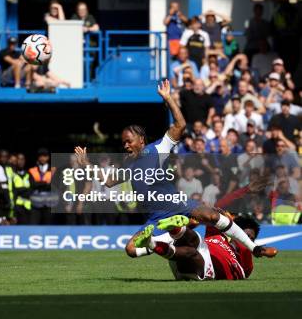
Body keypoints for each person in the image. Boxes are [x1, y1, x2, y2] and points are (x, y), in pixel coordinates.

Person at [75, 80, 277, 259]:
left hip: (177, 203)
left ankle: (255, 248)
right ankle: (165, 239)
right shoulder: (128, 163)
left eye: (129, 141)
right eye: (123, 143)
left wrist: (168, 98)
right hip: (156, 217)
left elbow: (180, 125)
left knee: (213, 217)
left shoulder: (157, 149)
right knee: (130, 250)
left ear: (141, 140)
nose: (125, 146)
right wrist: (87, 166)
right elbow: (110, 181)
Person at [134, 214, 258, 281]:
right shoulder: (216, 235)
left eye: (251, 238)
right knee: (194, 237)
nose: (248, 240)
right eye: (246, 236)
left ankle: (153, 242)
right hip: (187, 253)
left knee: (192, 252)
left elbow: (245, 271)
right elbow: (213, 214)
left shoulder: (244, 253)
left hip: (206, 270)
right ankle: (174, 228)